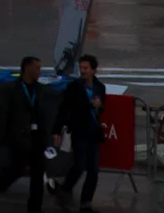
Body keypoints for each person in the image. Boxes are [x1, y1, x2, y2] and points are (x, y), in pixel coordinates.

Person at [0, 56, 48, 212]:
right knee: (16, 170)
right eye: (37, 67)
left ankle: (34, 208)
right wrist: (1, 136)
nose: (40, 71)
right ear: (27, 68)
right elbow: (3, 113)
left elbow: (42, 113)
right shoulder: (12, 89)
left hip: (36, 137)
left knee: (38, 175)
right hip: (19, 137)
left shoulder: (40, 89)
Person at [54, 53, 107, 211]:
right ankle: (65, 189)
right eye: (81, 68)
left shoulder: (100, 87)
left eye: (86, 68)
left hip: (94, 132)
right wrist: (56, 130)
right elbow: (66, 109)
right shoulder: (74, 87)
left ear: (94, 70)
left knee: (93, 171)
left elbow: (102, 108)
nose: (82, 71)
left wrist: (99, 106)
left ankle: (86, 203)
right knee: (79, 165)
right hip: (79, 131)